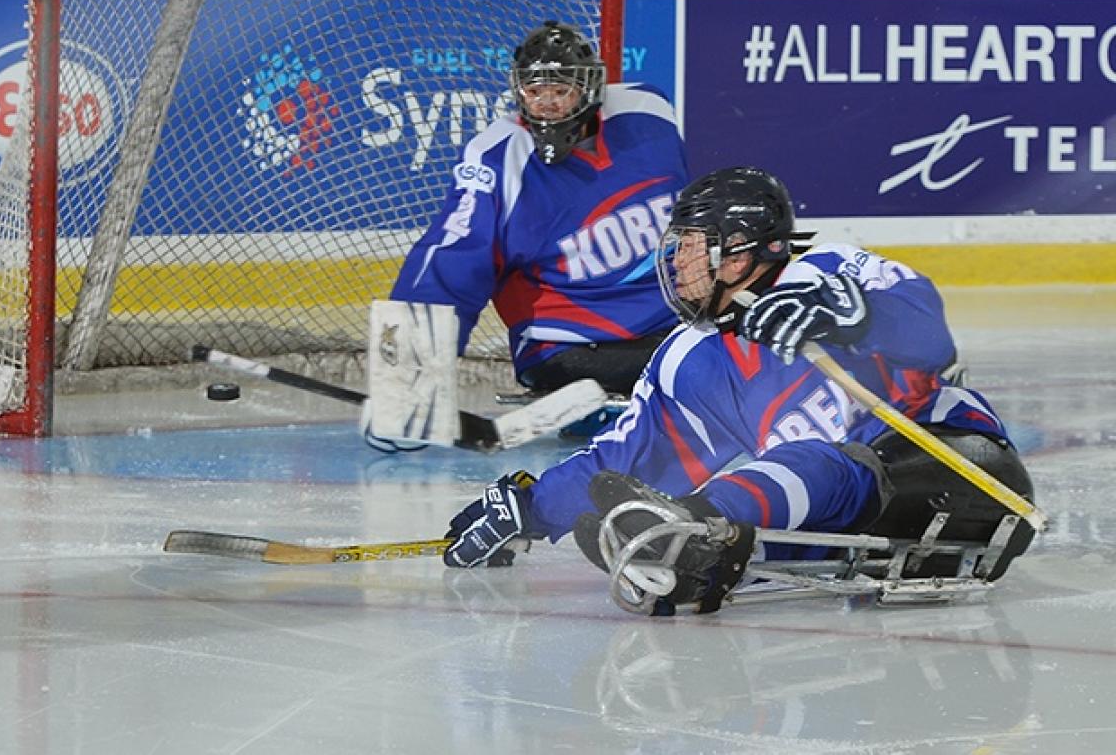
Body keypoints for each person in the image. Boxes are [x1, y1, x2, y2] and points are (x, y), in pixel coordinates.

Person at [441, 166, 1035, 615]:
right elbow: (617, 460)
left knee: (813, 462)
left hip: (959, 470)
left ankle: (692, 532)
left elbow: (932, 335)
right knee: (793, 483)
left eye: (694, 248)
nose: (678, 265)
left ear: (743, 247)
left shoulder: (828, 269)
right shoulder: (688, 358)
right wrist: (533, 507)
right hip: (855, 524)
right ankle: (693, 548)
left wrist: (852, 315)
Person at [389, 21, 689, 407]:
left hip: (671, 330)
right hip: (568, 347)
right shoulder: (497, 158)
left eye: (560, 91)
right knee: (707, 364)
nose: (547, 104)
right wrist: (410, 374)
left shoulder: (648, 111)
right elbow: (452, 261)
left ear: (587, 90)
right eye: (535, 92)